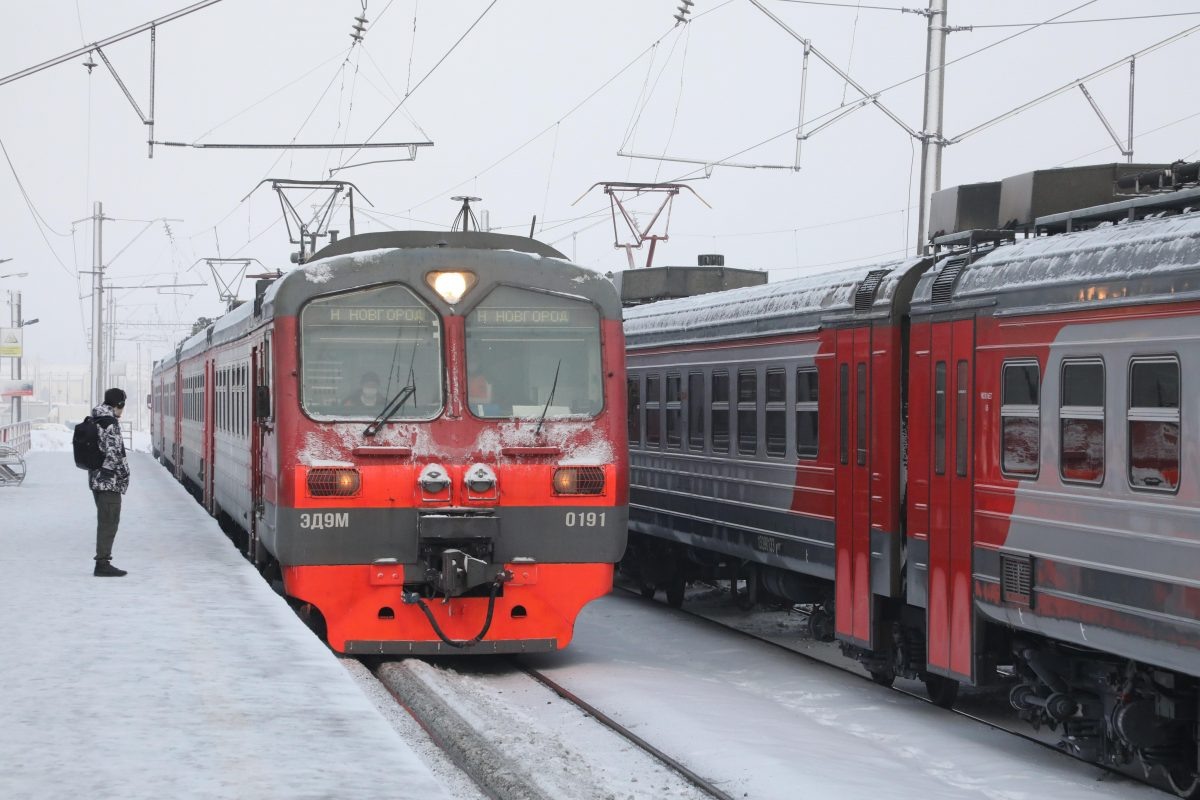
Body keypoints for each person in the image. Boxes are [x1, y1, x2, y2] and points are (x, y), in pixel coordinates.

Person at [90, 388, 131, 577]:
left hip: (96, 479)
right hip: (109, 481)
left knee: (105, 520)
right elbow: (114, 455)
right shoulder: (110, 424)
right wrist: (125, 474)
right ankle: (102, 563)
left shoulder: (95, 419)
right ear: (119, 405)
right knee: (109, 522)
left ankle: (103, 561)